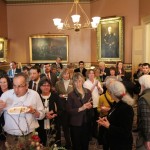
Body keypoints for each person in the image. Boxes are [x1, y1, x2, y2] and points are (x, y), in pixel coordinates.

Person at [0, 73, 45, 149]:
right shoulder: (6, 95)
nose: (16, 89)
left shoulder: (34, 95)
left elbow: (42, 115)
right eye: (14, 85)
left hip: (30, 135)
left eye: (20, 86)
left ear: (27, 85)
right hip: (11, 136)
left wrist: (33, 111)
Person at [97, 80, 134, 150]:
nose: (109, 94)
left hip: (121, 144)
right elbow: (114, 118)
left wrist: (109, 126)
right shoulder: (116, 103)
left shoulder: (126, 108)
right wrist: (105, 119)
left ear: (114, 94)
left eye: (110, 92)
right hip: (113, 141)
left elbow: (126, 132)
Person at [66, 73, 93, 150]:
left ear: (83, 81)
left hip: (86, 121)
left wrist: (90, 106)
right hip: (76, 123)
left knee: (85, 143)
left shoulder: (88, 92)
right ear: (73, 82)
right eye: (76, 81)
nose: (78, 83)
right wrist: (81, 108)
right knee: (76, 144)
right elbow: (69, 110)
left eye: (80, 81)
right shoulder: (71, 94)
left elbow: (91, 103)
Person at [36, 77, 62, 147]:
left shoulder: (55, 96)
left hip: (53, 124)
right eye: (44, 85)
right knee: (41, 143)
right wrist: (44, 115)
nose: (46, 87)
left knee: (54, 144)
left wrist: (55, 115)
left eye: (48, 85)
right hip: (40, 125)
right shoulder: (37, 96)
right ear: (40, 86)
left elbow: (61, 109)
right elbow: (35, 112)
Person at [55, 68, 73, 149]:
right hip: (62, 108)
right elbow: (56, 94)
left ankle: (73, 142)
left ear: (70, 74)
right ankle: (68, 144)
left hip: (72, 107)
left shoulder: (73, 82)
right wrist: (60, 96)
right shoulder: (58, 83)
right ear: (62, 74)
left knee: (72, 126)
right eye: (65, 74)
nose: (66, 75)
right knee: (65, 127)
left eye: (68, 74)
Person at [83, 69, 103, 138]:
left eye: (93, 73)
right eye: (90, 73)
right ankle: (89, 134)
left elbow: (101, 92)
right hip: (90, 104)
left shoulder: (97, 81)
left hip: (97, 103)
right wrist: (94, 85)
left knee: (96, 119)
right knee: (89, 120)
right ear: (87, 75)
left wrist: (98, 87)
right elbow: (88, 93)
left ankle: (95, 133)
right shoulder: (85, 83)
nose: (91, 74)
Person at [136, 75, 150, 150]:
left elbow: (146, 120)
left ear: (143, 85)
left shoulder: (144, 98)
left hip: (146, 135)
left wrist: (147, 139)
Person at [0, 75, 12, 146]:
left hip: (11, 118)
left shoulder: (12, 92)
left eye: (4, 82)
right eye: (0, 82)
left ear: (8, 83)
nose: (2, 84)